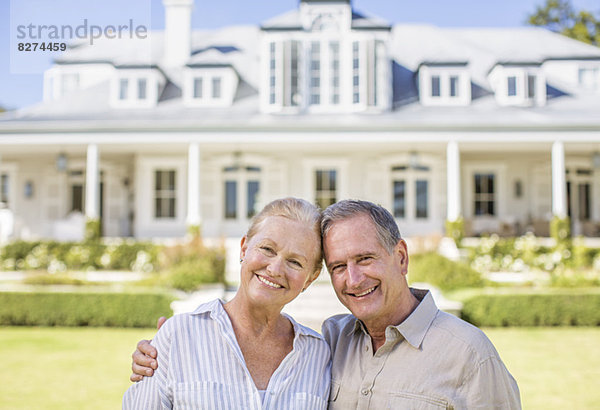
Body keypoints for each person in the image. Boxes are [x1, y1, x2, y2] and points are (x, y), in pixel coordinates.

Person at [132, 199, 521, 409]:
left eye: (365, 259)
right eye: (339, 266)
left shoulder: (470, 355)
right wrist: (162, 349)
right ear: (244, 249)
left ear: (401, 257)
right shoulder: (332, 342)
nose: (353, 279)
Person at [123, 197, 331, 409]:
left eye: (295, 262)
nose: (275, 269)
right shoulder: (177, 336)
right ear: (244, 249)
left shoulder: (319, 355)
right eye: (267, 249)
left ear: (310, 279)